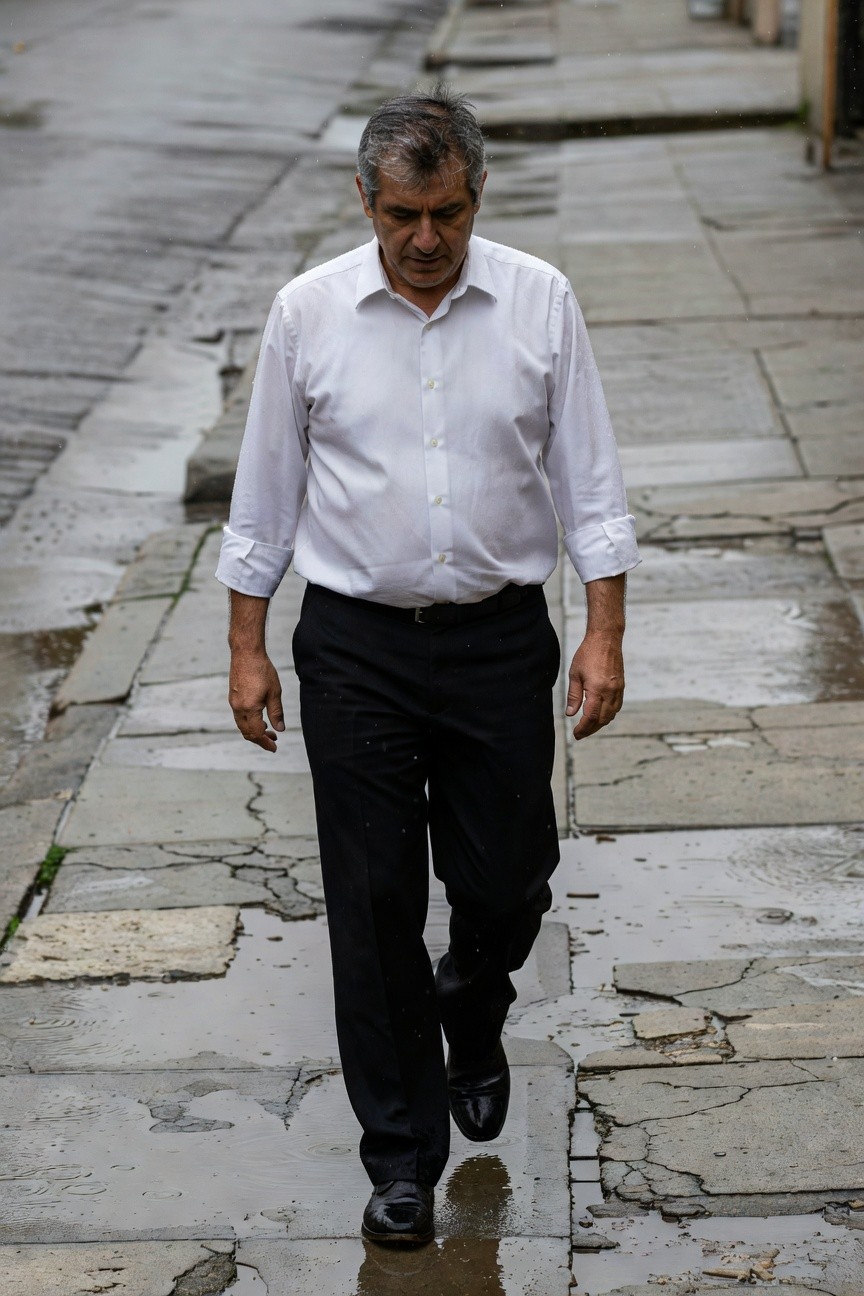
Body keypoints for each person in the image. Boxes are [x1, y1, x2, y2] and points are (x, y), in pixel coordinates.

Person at [216, 85, 639, 1247]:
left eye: (447, 212)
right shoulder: (307, 314)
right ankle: (400, 1156)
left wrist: (604, 630)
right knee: (372, 903)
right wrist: (247, 648)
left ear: (477, 195)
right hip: (355, 648)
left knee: (508, 881)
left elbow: (590, 482)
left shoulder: (540, 301)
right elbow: (264, 494)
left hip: (499, 641)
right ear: (365, 200)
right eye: (402, 214)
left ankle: (473, 1004)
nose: (425, 238)